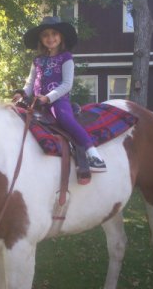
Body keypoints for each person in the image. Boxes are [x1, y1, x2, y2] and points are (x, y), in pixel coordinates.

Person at [13, 16, 107, 172]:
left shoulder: (66, 58)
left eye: (54, 34)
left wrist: (48, 97)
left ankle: (94, 155)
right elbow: (30, 83)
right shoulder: (37, 60)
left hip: (58, 101)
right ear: (41, 39)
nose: (50, 38)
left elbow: (67, 84)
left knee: (64, 119)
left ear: (61, 36)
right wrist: (21, 94)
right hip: (37, 103)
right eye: (45, 35)